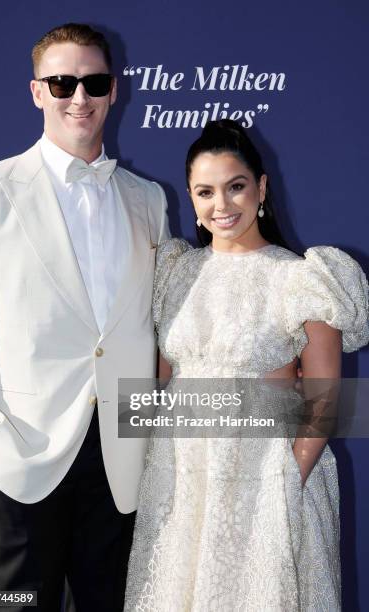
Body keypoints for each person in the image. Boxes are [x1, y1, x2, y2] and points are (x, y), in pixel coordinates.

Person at [0, 23, 170, 612]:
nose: (79, 97)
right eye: (62, 82)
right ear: (36, 91)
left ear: (114, 91)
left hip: (123, 457)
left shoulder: (148, 199)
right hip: (22, 452)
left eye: (94, 82)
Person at [125, 119, 369, 611]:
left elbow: (326, 396)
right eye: (205, 191)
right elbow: (161, 379)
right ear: (191, 201)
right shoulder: (174, 271)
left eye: (236, 187)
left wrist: (287, 475)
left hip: (264, 481)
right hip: (180, 479)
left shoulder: (302, 277)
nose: (222, 205)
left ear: (261, 187)